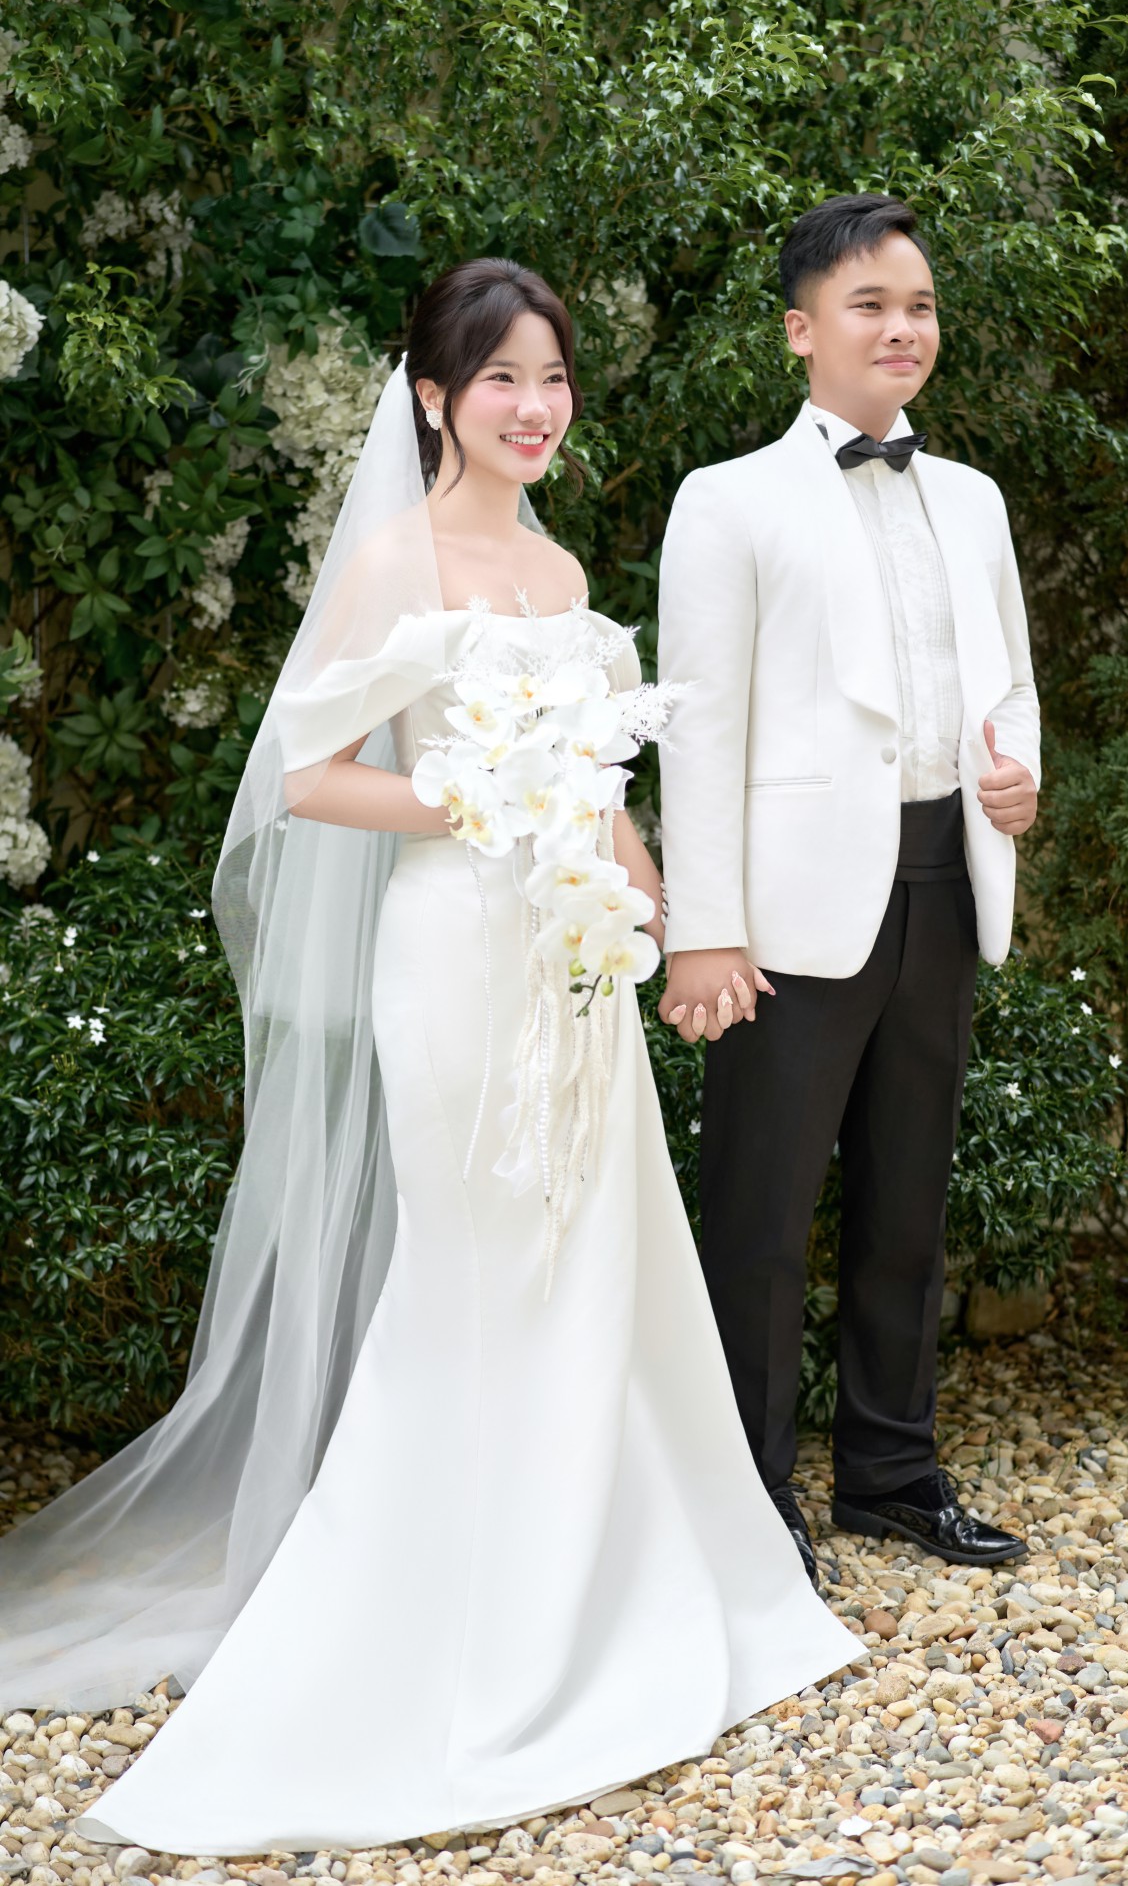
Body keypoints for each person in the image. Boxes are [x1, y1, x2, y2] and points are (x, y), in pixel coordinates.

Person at [0, 260, 863, 1853]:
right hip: (455, 955)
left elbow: (601, 784)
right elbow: (308, 776)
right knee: (478, 1263)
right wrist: (476, 804)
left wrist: (657, 912)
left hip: (573, 963)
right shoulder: (398, 565)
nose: (536, 408)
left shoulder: (561, 567)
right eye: (502, 380)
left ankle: (602, 1584)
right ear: (433, 397)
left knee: (592, 1251)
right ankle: (448, 1616)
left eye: (555, 377)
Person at [656, 193, 1040, 1580]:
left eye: (919, 305)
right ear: (799, 331)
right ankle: (750, 1498)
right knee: (761, 1217)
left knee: (907, 1205)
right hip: (785, 914)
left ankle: (891, 1473)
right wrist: (704, 931)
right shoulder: (728, 500)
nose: (902, 328)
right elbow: (701, 728)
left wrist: (1017, 780)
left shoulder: (974, 500)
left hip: (943, 877)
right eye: (870, 304)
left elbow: (1007, 682)